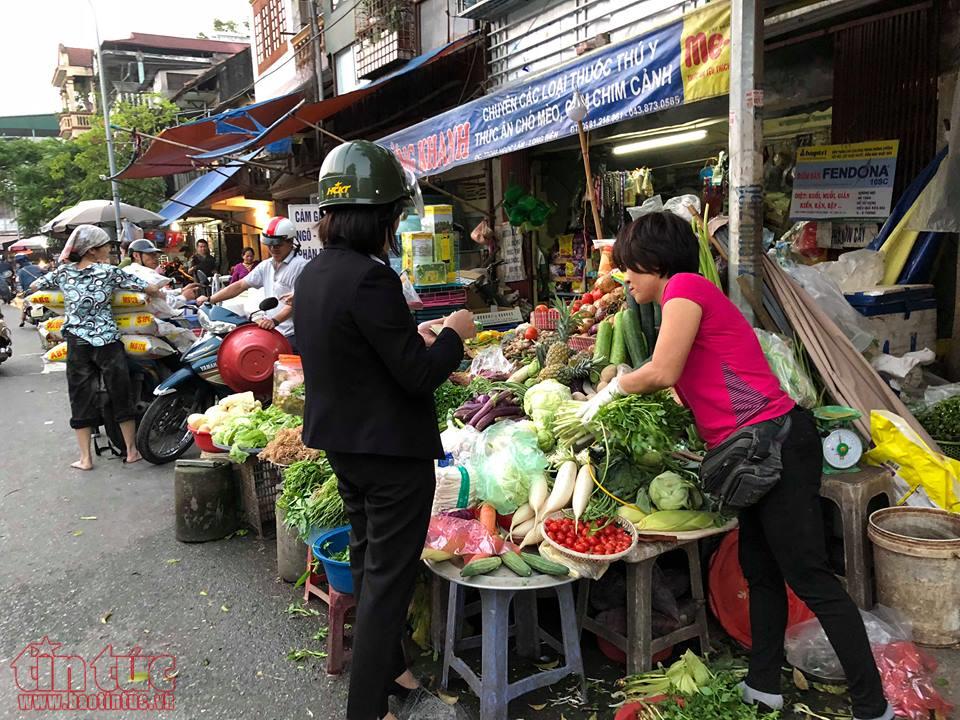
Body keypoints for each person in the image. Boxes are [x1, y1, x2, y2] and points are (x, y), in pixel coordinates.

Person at [578, 211, 892, 720]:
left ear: (653, 261)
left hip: (779, 445)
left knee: (809, 576)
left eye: (629, 266)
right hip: (752, 454)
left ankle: (872, 706)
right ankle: (764, 684)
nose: (624, 276)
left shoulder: (686, 286)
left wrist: (613, 388)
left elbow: (661, 371)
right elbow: (696, 383)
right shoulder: (680, 298)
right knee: (760, 570)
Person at [295, 140, 476, 720]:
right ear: (381, 217)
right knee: (387, 585)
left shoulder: (314, 274)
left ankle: (395, 675)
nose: (398, 226)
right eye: (397, 216)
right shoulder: (371, 279)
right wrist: (454, 334)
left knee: (373, 563)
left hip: (346, 448)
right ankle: (367, 708)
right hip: (391, 456)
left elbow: (356, 354)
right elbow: (418, 375)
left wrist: (409, 342)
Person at [30, 225, 163, 470]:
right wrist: (160, 290)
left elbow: (35, 287)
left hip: (78, 344)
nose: (109, 249)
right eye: (105, 246)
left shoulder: (63, 273)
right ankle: (132, 451)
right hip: (107, 342)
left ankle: (85, 459)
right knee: (120, 393)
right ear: (92, 251)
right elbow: (146, 287)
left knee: (80, 397)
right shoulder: (109, 272)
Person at [196, 218, 306, 351]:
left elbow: (296, 301)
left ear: (290, 241)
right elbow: (240, 285)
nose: (272, 249)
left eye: (277, 245)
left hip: (292, 335)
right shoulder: (266, 265)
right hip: (272, 332)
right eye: (269, 245)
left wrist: (274, 320)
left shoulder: (300, 266)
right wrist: (210, 299)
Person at [16, 254, 46, 327]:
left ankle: (22, 320)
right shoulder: (37, 267)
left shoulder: (20, 271)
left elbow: (21, 284)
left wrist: (21, 292)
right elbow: (46, 274)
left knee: (25, 304)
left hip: (29, 292)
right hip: (42, 289)